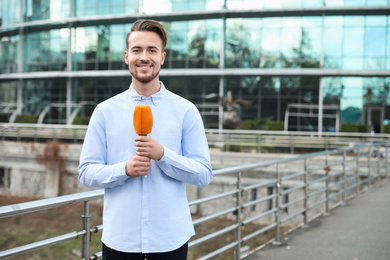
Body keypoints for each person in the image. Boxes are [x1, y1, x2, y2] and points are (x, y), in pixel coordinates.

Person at [78, 19, 213, 260]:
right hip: (120, 241)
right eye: (137, 50)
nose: (144, 57)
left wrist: (164, 155)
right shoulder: (104, 112)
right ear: (126, 56)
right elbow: (86, 172)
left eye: (152, 50)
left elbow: (203, 175)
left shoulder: (186, 110)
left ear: (162, 57)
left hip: (169, 241)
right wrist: (125, 170)